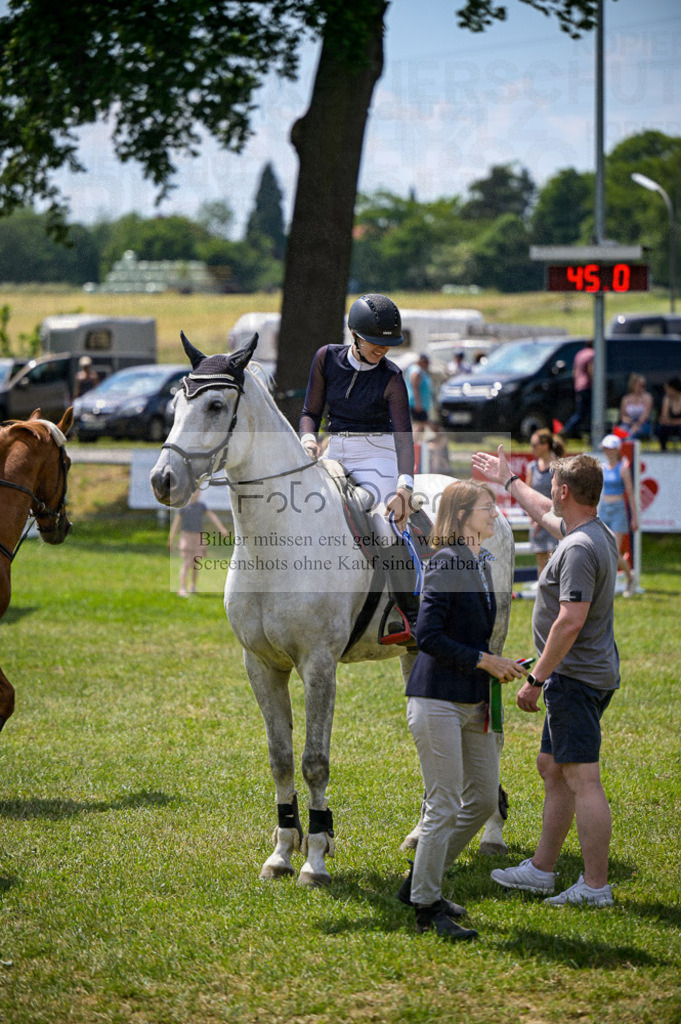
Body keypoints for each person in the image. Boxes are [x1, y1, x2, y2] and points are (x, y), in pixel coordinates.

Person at [471, 445, 619, 908]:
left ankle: (596, 887)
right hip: (576, 675)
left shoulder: (577, 548)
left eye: (553, 485)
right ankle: (541, 869)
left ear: (567, 490)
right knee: (552, 769)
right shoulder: (592, 531)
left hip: (574, 680)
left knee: (581, 778)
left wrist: (536, 677)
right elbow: (542, 514)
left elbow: (570, 621)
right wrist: (508, 480)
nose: (548, 492)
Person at [399, 480, 526, 940]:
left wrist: (500, 664)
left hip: (473, 698)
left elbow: (474, 637)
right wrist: (483, 660)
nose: (494, 514)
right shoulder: (448, 562)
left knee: (485, 799)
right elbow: (427, 636)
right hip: (437, 700)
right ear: (461, 515)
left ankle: (419, 881)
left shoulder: (476, 562)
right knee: (445, 803)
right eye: (487, 508)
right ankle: (425, 906)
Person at [299, 293, 418, 641]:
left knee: (385, 528)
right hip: (334, 450)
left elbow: (403, 438)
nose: (382, 350)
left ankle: (408, 613)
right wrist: (308, 439)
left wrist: (404, 488)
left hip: (377, 456)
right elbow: (310, 412)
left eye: (388, 344)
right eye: (375, 343)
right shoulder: (326, 358)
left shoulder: (392, 378)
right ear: (354, 334)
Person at [168, 490, 230, 596]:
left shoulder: (201, 506)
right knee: (186, 563)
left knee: (196, 564)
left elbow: (212, 516)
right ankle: (182, 588)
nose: (195, 494)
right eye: (193, 492)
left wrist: (222, 529)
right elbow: (176, 523)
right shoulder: (183, 507)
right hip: (186, 537)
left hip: (198, 537)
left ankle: (192, 586)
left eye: (197, 492)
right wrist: (171, 538)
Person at [598, 434, 637, 598]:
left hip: (618, 509)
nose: (607, 451)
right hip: (604, 508)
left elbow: (630, 493)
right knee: (603, 549)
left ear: (616, 450)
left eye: (610, 448)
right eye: (605, 448)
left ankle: (629, 578)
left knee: (614, 550)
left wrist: (634, 517)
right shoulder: (602, 467)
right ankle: (624, 579)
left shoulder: (623, 468)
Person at [525, 429, 566, 578]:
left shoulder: (558, 466)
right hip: (536, 522)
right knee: (541, 562)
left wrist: (547, 518)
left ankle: (556, 596)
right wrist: (534, 518)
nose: (532, 449)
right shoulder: (531, 467)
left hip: (554, 520)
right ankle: (543, 596)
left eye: (534, 445)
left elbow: (562, 495)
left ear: (545, 445)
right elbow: (527, 494)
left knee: (554, 560)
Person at [560, 339, 593, 440]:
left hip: (578, 385)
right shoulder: (592, 354)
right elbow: (591, 370)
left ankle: (573, 432)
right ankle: (566, 431)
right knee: (584, 413)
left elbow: (575, 372)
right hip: (588, 386)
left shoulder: (579, 354)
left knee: (581, 412)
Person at [617, 373, 654, 440]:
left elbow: (645, 415)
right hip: (629, 423)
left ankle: (630, 449)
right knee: (620, 432)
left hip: (643, 424)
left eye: (644, 385)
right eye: (640, 385)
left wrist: (637, 425)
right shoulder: (626, 399)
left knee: (631, 433)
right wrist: (630, 423)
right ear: (633, 385)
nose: (643, 387)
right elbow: (623, 416)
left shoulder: (648, 397)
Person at [405, 354, 432, 436]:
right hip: (417, 403)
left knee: (422, 425)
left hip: (421, 403)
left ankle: (418, 444)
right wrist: (418, 403)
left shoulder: (419, 370)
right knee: (419, 424)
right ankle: (411, 443)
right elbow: (414, 385)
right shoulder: (416, 370)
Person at [655, 377, 681, 451]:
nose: (666, 391)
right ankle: (663, 448)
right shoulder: (667, 399)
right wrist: (672, 422)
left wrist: (670, 421)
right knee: (661, 428)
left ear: (673, 389)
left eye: (667, 388)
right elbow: (664, 417)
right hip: (671, 426)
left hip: (678, 426)